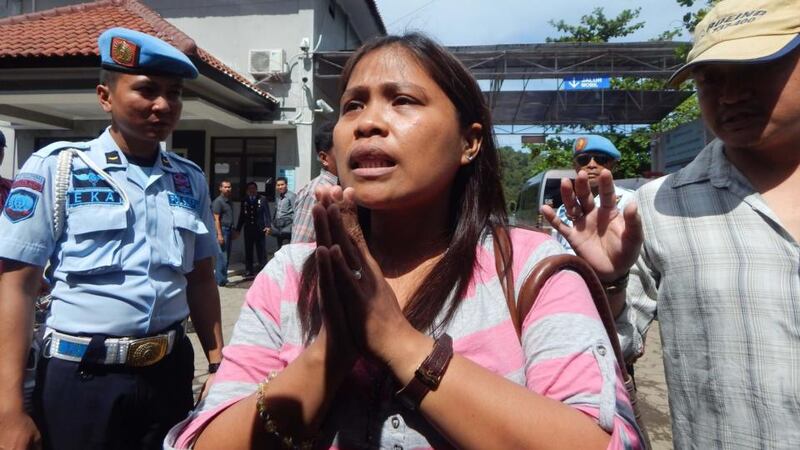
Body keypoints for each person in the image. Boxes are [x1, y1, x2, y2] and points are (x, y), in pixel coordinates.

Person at [166, 33, 643, 450]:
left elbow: (602, 440)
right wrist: (328, 355)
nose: (367, 123)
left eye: (403, 100)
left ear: (468, 143)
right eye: (353, 104)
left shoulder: (530, 268)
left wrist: (397, 342)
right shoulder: (289, 274)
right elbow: (207, 439)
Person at [542, 0, 800, 447]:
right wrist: (609, 281)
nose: (731, 95)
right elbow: (614, 346)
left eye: (755, 68)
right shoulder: (657, 206)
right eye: (709, 79)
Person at [0, 27, 224, 450]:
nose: (164, 105)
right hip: (81, 380)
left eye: (174, 93)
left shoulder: (188, 179)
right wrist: (8, 407)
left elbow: (200, 278)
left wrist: (218, 363)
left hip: (169, 374)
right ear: (105, 97)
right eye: (147, 90)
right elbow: (16, 287)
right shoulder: (58, 168)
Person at [554, 135, 634, 252]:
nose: (591, 164)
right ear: (575, 166)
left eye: (601, 159)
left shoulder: (630, 201)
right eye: (583, 160)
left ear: (614, 166)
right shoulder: (563, 211)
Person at [291, 121, 339, 243]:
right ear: (324, 158)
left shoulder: (343, 187)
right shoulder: (315, 194)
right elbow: (300, 252)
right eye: (343, 148)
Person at [236, 181, 271, 277]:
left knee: (261, 250)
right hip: (248, 229)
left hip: (260, 229)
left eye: (253, 188)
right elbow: (242, 216)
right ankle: (249, 270)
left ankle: (263, 269)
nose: (252, 190)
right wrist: (238, 229)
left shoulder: (262, 199)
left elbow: (267, 214)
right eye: (250, 189)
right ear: (247, 190)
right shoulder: (245, 200)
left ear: (256, 189)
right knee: (248, 250)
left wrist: (268, 226)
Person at [212, 180, 237, 286]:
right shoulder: (218, 201)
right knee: (222, 255)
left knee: (227, 255)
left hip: (229, 230)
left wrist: (234, 230)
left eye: (229, 187)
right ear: (220, 188)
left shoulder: (229, 201)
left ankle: (224, 278)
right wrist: (219, 234)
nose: (227, 189)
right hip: (222, 230)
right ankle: (220, 280)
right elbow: (216, 219)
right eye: (225, 187)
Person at [266, 176, 295, 248]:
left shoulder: (292, 196)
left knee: (285, 250)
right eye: (278, 185)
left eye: (282, 184)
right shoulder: (279, 197)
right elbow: (276, 213)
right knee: (280, 249)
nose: (280, 187)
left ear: (286, 185)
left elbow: (296, 212)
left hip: (287, 229)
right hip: (279, 228)